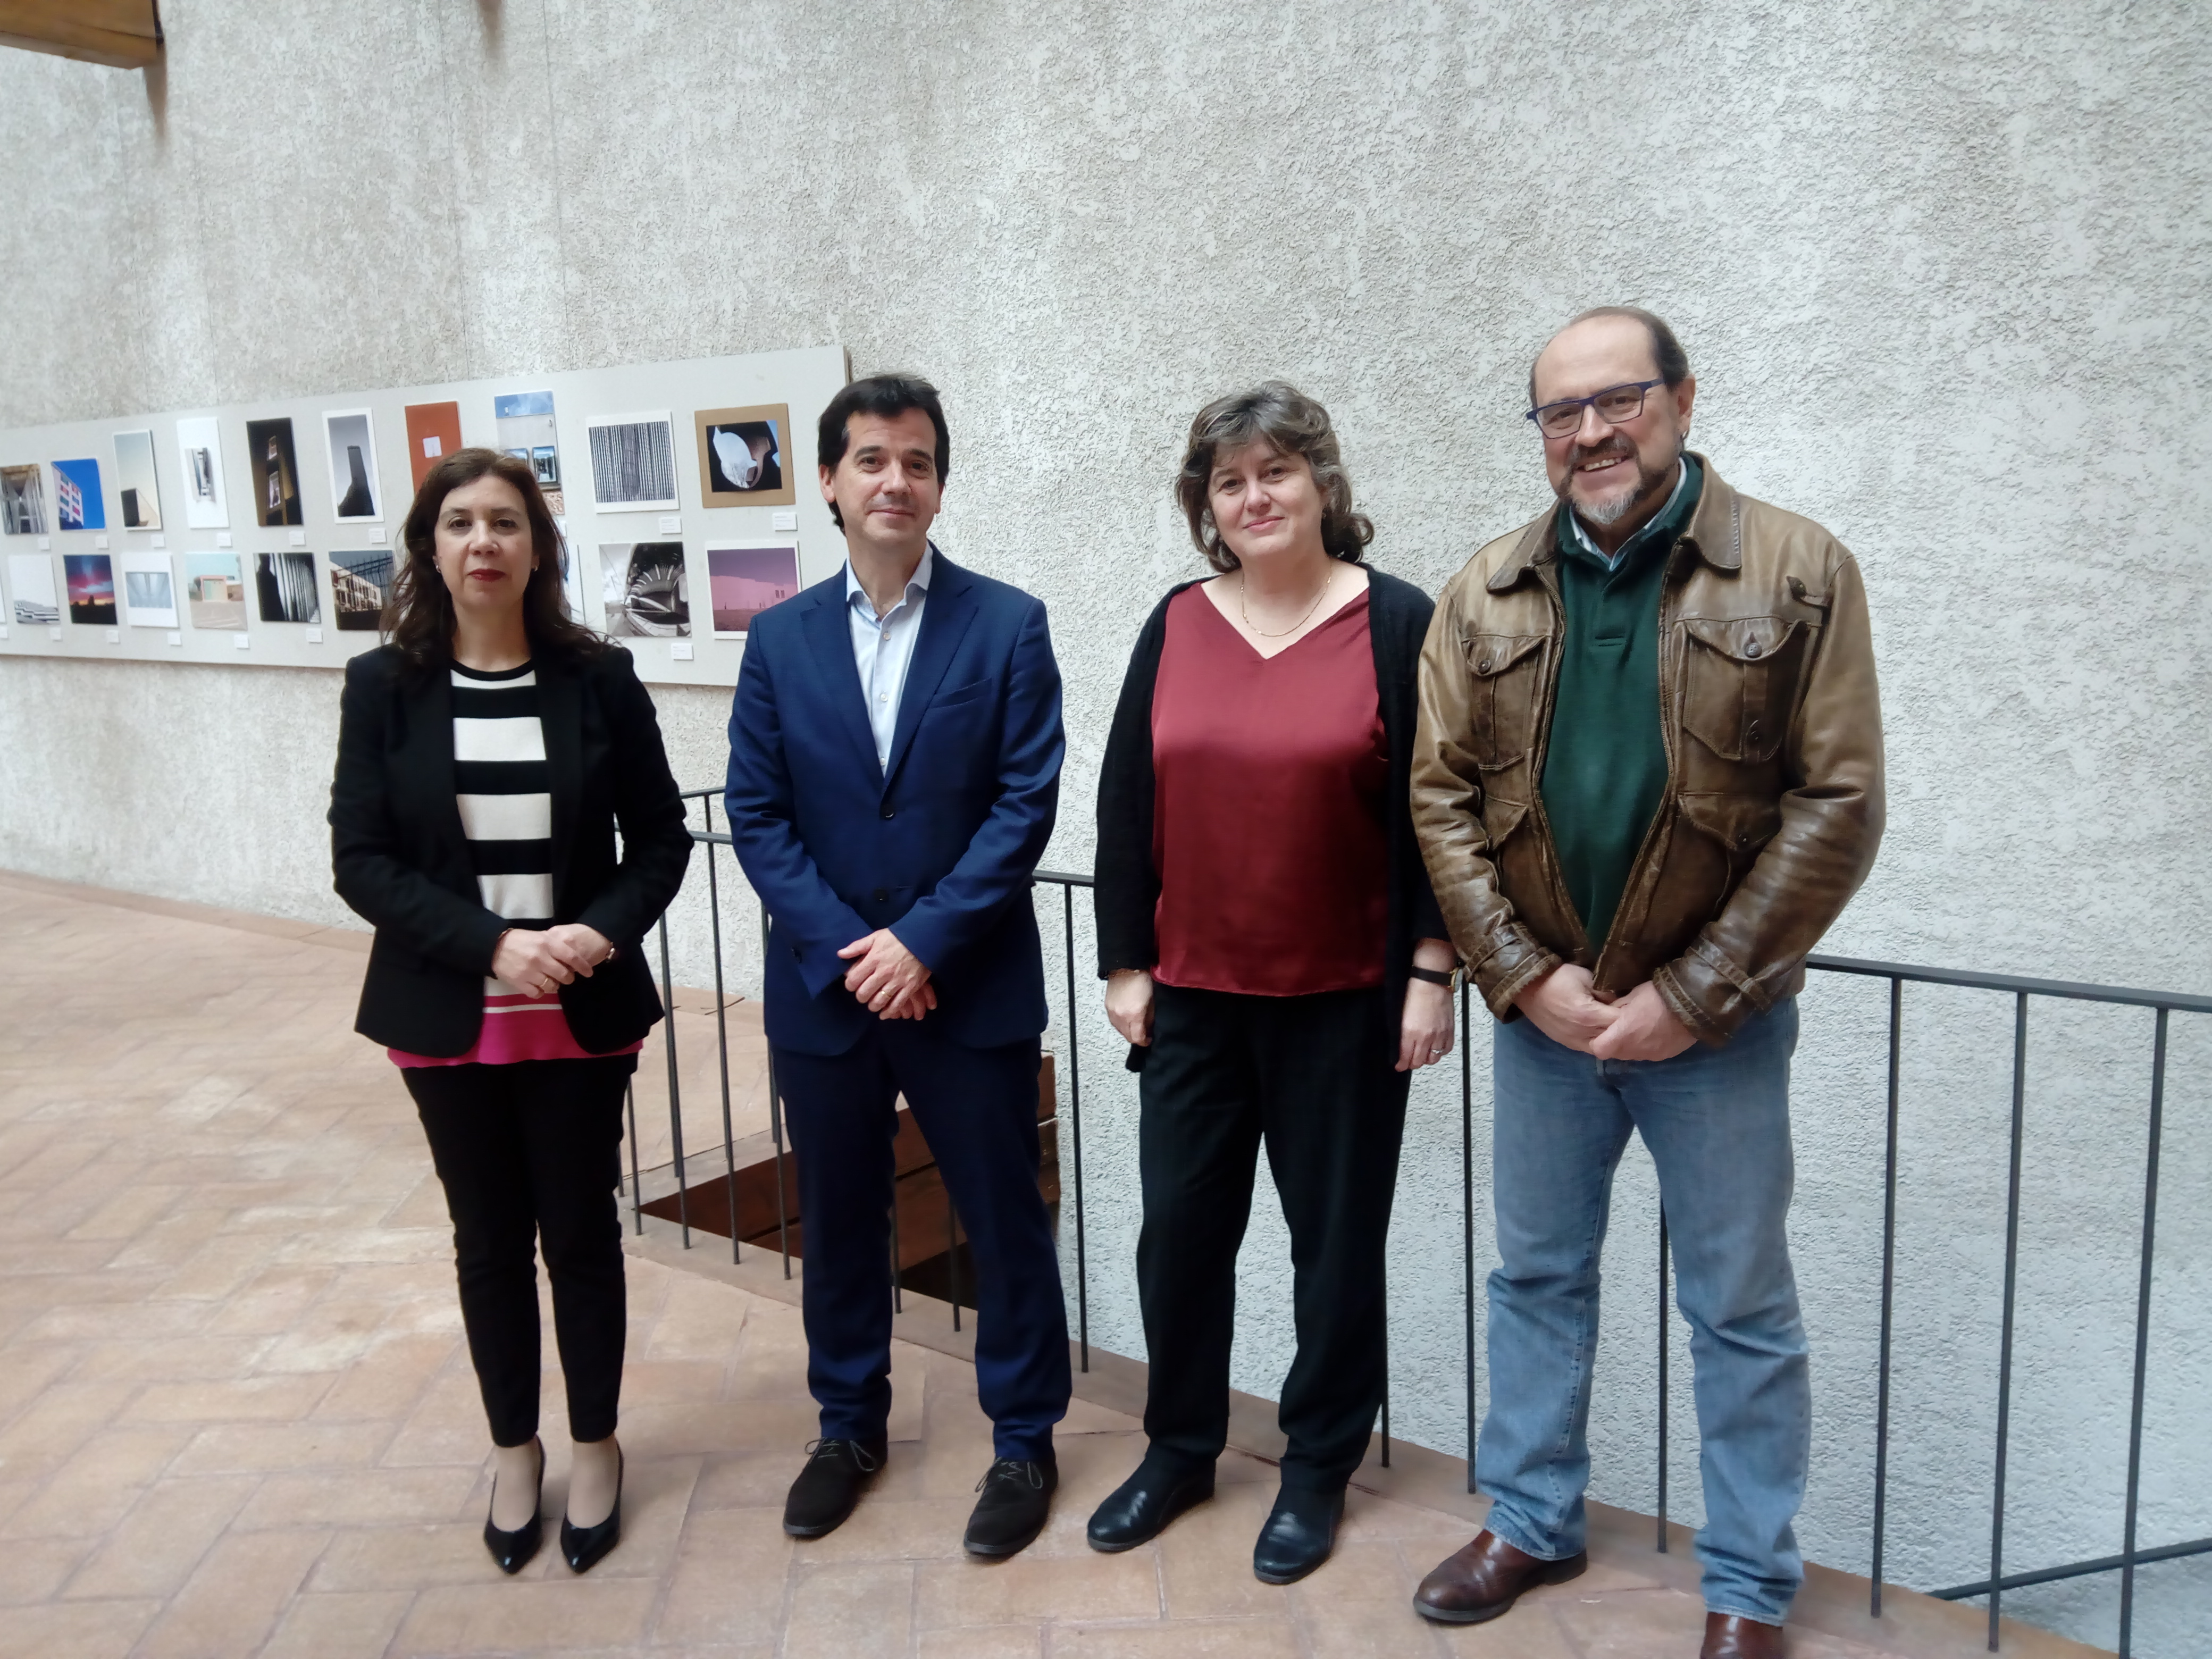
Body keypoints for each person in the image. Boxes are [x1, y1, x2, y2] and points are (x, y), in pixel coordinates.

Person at [1407, 308, 1884, 1659]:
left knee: (1739, 1310)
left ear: (1682, 398)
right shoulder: (1485, 589)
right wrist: (1521, 979)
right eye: (1561, 412)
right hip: (1544, 1027)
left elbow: (1838, 804)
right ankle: (1529, 1522)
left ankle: (1747, 1587)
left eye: (1619, 399)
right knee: (1535, 1281)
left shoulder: (1795, 569)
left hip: (1716, 1035)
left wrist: (1693, 995)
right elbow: (1440, 798)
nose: (1591, 432)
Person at [1089, 382, 1457, 1585]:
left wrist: (1432, 969)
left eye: (1276, 473)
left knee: (1334, 1254)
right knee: (1179, 1241)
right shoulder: (1176, 622)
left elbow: (1442, 814)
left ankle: (1316, 1469)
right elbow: (1127, 801)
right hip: (1193, 1001)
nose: (1255, 498)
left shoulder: (1397, 622)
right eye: (1230, 482)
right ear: (1208, 505)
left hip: (1346, 1004)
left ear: (1322, 484)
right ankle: (1179, 1448)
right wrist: (1126, 961)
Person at [724, 373, 1072, 1558]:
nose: (895, 480)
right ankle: (847, 1428)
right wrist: (852, 952)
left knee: (1002, 1217)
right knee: (838, 1217)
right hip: (827, 994)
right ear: (829, 480)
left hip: (964, 983)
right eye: (871, 459)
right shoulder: (778, 639)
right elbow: (757, 813)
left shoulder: (1006, 624)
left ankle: (1023, 1440)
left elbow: (1024, 804)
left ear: (939, 484)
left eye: (917, 461)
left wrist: (922, 939)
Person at [329, 448, 692, 1577]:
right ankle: (514, 1452)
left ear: (538, 549)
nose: (482, 541)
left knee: (580, 1235)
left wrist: (596, 933)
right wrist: (491, 945)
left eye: (505, 522)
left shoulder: (599, 679)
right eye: (459, 523)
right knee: (486, 1243)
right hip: (448, 1012)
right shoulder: (381, 687)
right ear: (430, 548)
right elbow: (361, 861)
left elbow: (661, 840)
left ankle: (595, 1446)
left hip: (578, 1013)